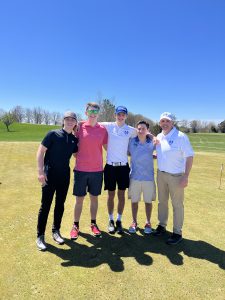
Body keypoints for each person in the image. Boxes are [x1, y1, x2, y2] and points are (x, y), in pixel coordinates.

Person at [36, 111, 78, 251]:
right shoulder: (52, 134)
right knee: (45, 205)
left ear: (75, 123)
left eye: (73, 119)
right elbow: (40, 152)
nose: (70, 121)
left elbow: (78, 155)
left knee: (60, 204)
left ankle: (56, 231)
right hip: (50, 175)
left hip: (64, 176)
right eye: (67, 119)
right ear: (63, 121)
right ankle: (40, 236)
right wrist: (40, 172)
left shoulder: (74, 139)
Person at [154, 112, 194, 245]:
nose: (164, 123)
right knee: (162, 202)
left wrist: (186, 176)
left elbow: (189, 156)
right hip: (161, 174)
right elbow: (162, 152)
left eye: (167, 121)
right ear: (160, 123)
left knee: (177, 205)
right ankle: (162, 225)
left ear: (172, 123)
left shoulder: (181, 136)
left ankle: (177, 232)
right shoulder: (159, 136)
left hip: (176, 176)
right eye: (162, 121)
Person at [70, 102, 108, 240]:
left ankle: (93, 224)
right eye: (90, 111)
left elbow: (108, 148)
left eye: (95, 111)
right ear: (86, 112)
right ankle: (75, 226)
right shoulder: (79, 127)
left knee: (94, 199)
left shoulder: (103, 129)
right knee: (79, 200)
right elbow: (74, 148)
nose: (93, 114)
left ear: (99, 113)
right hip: (80, 170)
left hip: (97, 170)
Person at [101, 106, 136, 234]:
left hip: (123, 167)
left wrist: (153, 137)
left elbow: (143, 133)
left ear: (126, 116)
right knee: (111, 194)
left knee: (121, 195)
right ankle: (110, 220)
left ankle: (119, 220)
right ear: (115, 115)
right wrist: (78, 124)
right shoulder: (108, 126)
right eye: (118, 114)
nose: (120, 117)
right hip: (110, 167)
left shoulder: (131, 130)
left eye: (123, 115)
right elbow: (91, 122)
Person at [128, 120, 156, 234]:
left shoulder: (152, 142)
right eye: (139, 128)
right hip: (134, 176)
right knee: (134, 201)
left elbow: (160, 148)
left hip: (148, 177)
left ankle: (148, 222)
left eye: (143, 129)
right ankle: (134, 222)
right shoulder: (131, 141)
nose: (140, 130)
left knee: (148, 201)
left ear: (147, 130)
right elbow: (127, 152)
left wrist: (151, 136)